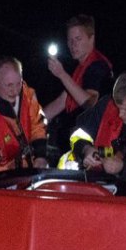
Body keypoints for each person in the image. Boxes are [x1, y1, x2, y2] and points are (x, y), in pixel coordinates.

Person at [43, 14, 113, 149]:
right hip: (75, 141)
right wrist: (30, 121)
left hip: (91, 145)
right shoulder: (80, 69)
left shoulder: (97, 66)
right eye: (70, 40)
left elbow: (90, 103)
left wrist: (61, 74)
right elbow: (61, 102)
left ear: (91, 39)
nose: (73, 45)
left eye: (78, 39)